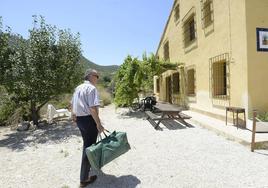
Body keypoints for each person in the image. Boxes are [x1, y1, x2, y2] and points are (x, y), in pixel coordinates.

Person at [71, 69, 104, 187]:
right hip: (88, 120)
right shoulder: (91, 89)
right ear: (90, 76)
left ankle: (87, 169)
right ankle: (84, 179)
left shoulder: (78, 88)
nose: (98, 79)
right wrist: (99, 124)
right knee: (89, 147)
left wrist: (73, 118)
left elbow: (72, 104)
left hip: (80, 120)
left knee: (87, 144)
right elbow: (92, 108)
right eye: (97, 76)